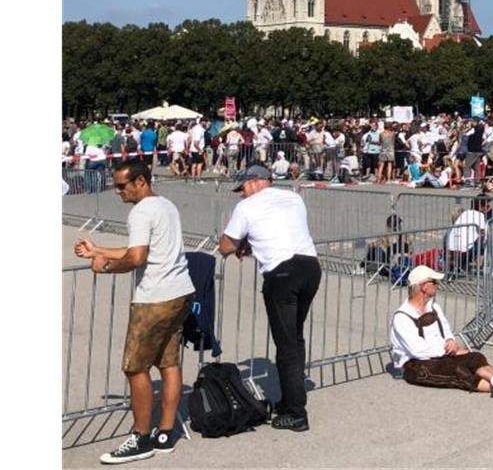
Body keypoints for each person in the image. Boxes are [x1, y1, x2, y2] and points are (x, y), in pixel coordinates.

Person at [74, 160, 195, 463]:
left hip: (155, 298)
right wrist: (98, 250)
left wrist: (105, 268)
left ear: (140, 181)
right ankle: (165, 433)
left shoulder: (140, 212)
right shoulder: (166, 205)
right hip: (179, 291)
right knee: (168, 362)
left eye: (121, 185)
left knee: (134, 367)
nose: (118, 191)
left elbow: (137, 258)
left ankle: (140, 437)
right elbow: (147, 251)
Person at [218, 165, 322, 430]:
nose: (241, 194)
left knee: (286, 343)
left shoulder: (247, 207)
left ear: (255, 182)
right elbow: (279, 228)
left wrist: (242, 245)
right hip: (309, 266)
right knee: (295, 337)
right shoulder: (293, 197)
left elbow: (226, 246)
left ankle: (297, 413)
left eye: (242, 188)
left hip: (282, 273)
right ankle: (290, 399)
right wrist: (251, 243)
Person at [391, 265, 493, 396]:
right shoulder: (402, 317)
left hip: (440, 354)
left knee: (475, 357)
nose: (438, 285)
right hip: (415, 365)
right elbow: (418, 350)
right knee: (457, 370)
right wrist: (450, 350)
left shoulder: (434, 307)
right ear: (424, 287)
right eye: (434, 282)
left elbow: (445, 328)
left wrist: (450, 340)